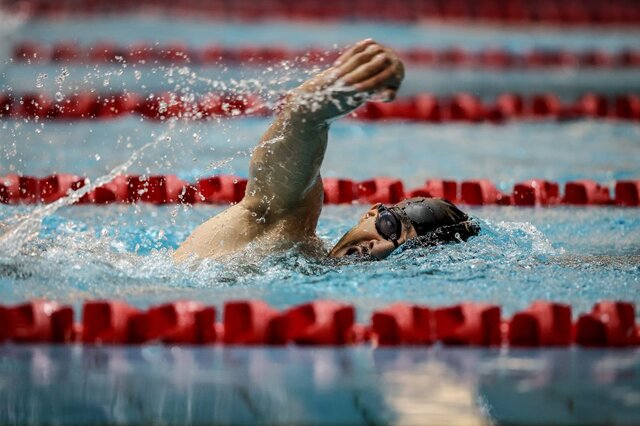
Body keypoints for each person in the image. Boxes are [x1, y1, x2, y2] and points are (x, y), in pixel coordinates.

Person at [174, 39, 478, 262]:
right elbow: (270, 196)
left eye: (404, 252)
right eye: (389, 227)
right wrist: (312, 111)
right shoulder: (287, 230)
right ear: (371, 213)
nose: (383, 247)